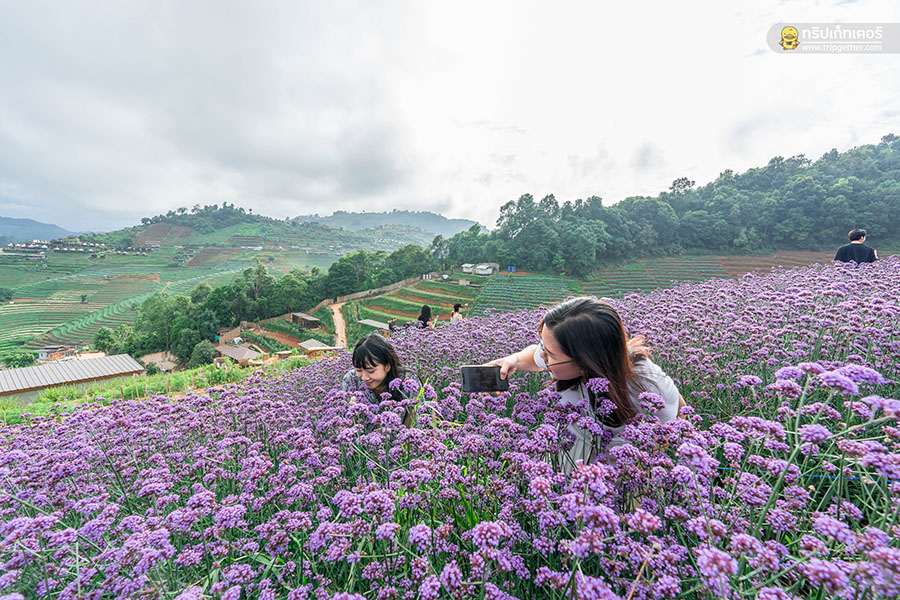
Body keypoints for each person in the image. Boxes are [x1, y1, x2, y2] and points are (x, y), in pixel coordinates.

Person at [489, 297, 685, 473]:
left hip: (618, 475)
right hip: (568, 462)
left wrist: (636, 466)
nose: (542, 356)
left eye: (549, 354)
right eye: (543, 347)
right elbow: (533, 355)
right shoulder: (564, 361)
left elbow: (678, 415)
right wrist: (514, 360)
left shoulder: (646, 382)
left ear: (584, 361)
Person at [341, 334, 421, 427]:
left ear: (387, 366)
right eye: (358, 370)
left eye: (371, 371)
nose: (364, 377)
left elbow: (417, 423)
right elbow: (343, 424)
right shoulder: (351, 380)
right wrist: (353, 415)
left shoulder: (408, 381)